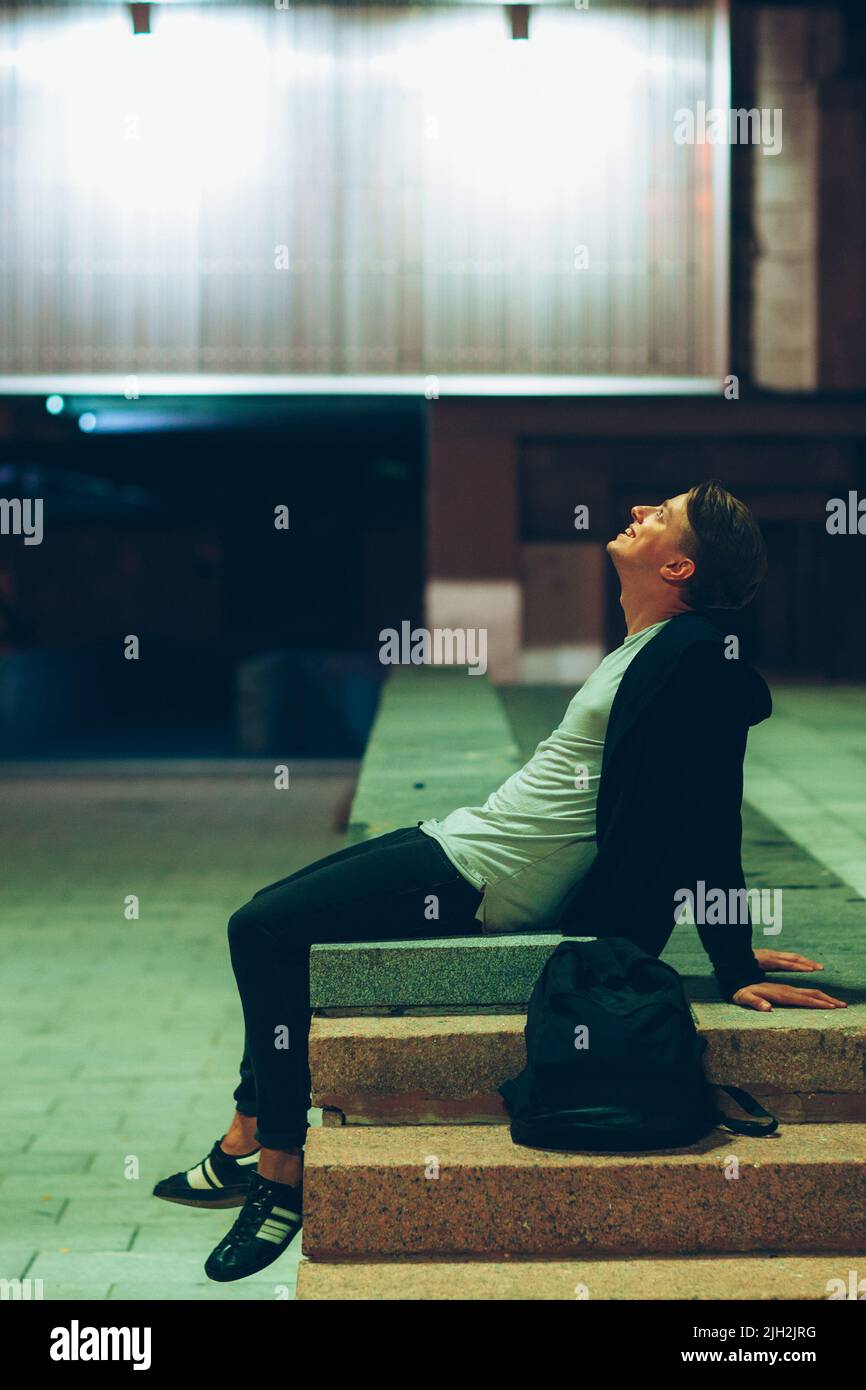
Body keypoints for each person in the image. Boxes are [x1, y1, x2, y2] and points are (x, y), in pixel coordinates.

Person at [153, 479, 845, 1283]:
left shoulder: (694, 658)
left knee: (261, 927)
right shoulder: (642, 645)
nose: (637, 513)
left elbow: (707, 814)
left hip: (484, 876)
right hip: (465, 840)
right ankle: (245, 1132)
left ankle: (278, 1171)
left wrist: (736, 966)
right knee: (271, 920)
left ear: (682, 568)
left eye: (661, 516)